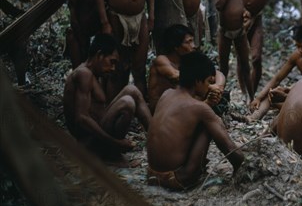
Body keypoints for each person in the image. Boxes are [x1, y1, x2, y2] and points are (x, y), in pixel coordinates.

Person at [146, 51, 244, 190]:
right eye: (209, 82)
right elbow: (229, 148)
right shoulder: (199, 108)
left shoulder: (166, 94)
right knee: (210, 121)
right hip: (178, 179)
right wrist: (246, 165)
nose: (210, 87)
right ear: (198, 81)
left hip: (151, 174)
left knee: (204, 118)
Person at [63, 34, 151, 165]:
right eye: (112, 62)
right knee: (127, 102)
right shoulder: (84, 74)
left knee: (132, 90)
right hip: (88, 142)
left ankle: (158, 138)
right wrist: (116, 143)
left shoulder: (93, 73)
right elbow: (81, 118)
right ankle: (111, 155)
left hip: (98, 134)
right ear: (100, 55)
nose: (113, 68)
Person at [246, 24, 302, 122]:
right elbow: (277, 79)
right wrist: (259, 97)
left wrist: (289, 91)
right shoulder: (297, 56)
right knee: (272, 94)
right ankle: (253, 117)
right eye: (298, 46)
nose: (300, 50)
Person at [147, 24, 226, 114]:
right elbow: (176, 76)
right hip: (160, 109)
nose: (193, 46)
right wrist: (209, 86)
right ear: (176, 46)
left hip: (178, 105)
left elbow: (218, 74)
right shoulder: (162, 60)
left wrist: (218, 87)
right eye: (188, 42)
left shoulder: (187, 61)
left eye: (192, 41)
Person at [212, 0, 253, 102]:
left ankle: (251, 97)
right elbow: (219, 5)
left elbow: (242, 6)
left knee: (245, 65)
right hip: (224, 32)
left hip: (240, 31)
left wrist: (246, 14)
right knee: (223, 66)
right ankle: (221, 98)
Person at [62, 0, 100, 68]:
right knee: (79, 65)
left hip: (95, 29)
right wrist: (82, 40)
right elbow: (74, 21)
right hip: (81, 32)